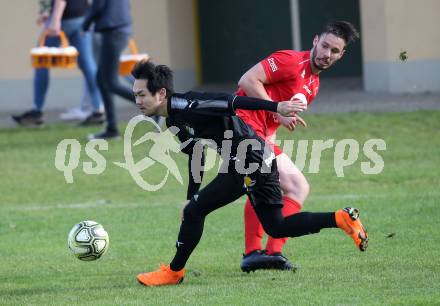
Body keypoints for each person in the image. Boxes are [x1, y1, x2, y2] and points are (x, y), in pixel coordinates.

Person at [130, 60, 368, 287]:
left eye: (141, 94)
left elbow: (232, 102)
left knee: (196, 211)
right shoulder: (173, 120)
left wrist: (277, 107)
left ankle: (174, 272)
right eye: (135, 95)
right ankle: (341, 218)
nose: (137, 101)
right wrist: (191, 195)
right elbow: (196, 155)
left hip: (248, 159)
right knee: (277, 226)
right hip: (258, 158)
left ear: (161, 94)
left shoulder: (188, 104)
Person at [235, 21, 360, 272]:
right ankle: (269, 252)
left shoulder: (313, 85)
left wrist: (274, 127)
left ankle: (257, 253)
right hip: (241, 125)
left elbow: (272, 121)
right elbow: (248, 80)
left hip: (258, 135)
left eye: (334, 51)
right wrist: (277, 111)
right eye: (324, 46)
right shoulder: (291, 61)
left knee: (265, 186)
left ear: (341, 55)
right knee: (297, 186)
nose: (326, 54)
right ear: (315, 40)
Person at [12, 0, 104, 126]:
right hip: (82, 15)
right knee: (87, 64)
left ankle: (36, 111)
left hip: (65, 17)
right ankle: (98, 110)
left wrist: (55, 19)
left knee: (41, 60)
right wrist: (46, 12)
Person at [83, 0, 136, 140]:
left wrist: (85, 25)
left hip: (114, 31)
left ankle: (152, 106)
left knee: (111, 83)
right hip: (118, 30)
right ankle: (111, 129)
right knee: (101, 80)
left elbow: (98, 7)